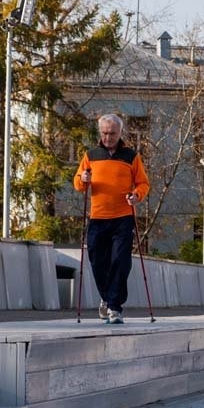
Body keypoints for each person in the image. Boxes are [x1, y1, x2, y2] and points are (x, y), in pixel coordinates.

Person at [73, 114, 150, 324]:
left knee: (120, 261)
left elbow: (143, 183)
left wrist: (136, 196)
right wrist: (83, 178)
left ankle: (114, 307)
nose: (108, 137)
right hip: (98, 217)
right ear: (100, 132)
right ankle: (106, 298)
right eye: (105, 133)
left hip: (123, 217)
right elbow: (78, 183)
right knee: (97, 261)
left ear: (120, 133)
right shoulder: (91, 155)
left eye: (112, 133)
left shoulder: (130, 156)